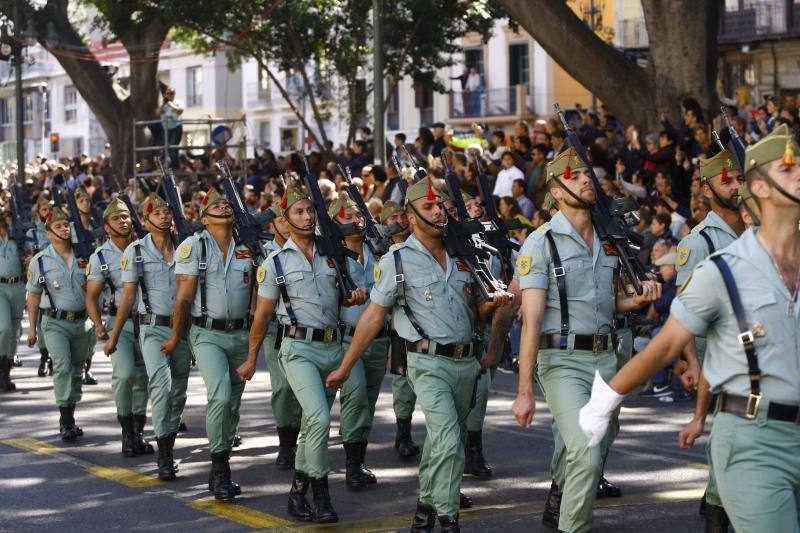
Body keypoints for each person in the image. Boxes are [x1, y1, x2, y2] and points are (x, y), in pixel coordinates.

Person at [579, 123, 800, 533]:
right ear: (762, 189)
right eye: (788, 168)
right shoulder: (724, 270)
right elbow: (665, 347)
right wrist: (604, 402)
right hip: (755, 440)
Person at [326, 178, 512, 532]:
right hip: (427, 363)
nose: (438, 210)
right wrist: (347, 365)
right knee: (449, 440)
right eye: (428, 207)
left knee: (443, 443)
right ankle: (447, 516)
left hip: (465, 362)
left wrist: (493, 305)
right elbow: (374, 315)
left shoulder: (464, 253)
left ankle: (424, 510)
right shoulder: (398, 259)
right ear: (410, 217)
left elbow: (477, 310)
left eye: (440, 205)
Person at [511, 148, 661, 532]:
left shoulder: (609, 241)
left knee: (601, 441)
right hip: (562, 362)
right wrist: (525, 389)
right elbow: (531, 322)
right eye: (574, 177)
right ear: (556, 192)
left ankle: (560, 496)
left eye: (588, 175)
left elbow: (610, 305)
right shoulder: (541, 243)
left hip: (607, 360)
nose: (586, 180)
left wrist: (637, 299)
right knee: (588, 452)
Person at [239, 186, 366, 523]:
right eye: (299, 212)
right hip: (297, 350)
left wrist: (354, 296)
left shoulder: (333, 254)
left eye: (310, 211)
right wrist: (252, 358)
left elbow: (346, 295)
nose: (307, 217)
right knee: (321, 419)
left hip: (333, 347)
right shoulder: (274, 263)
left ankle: (297, 493)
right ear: (284, 220)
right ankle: (322, 496)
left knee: (312, 426)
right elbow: (263, 316)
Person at [171, 188, 254, 501]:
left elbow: (262, 285)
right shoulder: (193, 247)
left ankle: (221, 458)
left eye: (227, 203)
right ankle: (221, 469)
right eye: (215, 205)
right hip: (206, 333)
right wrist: (177, 336)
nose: (223, 205)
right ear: (203, 219)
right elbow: (184, 298)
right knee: (219, 396)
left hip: (242, 334)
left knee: (232, 403)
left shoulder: (248, 245)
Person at [105, 193, 193, 482]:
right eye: (157, 213)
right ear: (144, 221)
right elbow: (128, 298)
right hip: (152, 327)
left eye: (168, 212)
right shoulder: (136, 252)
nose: (164, 216)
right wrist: (114, 336)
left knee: (179, 391)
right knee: (161, 387)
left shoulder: (186, 247)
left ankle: (168, 438)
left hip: (183, 329)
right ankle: (164, 457)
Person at [328, 193, 387, 489]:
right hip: (347, 340)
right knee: (355, 396)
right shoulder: (331, 256)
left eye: (358, 216)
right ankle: (352, 466)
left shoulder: (378, 250)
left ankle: (359, 458)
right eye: (348, 217)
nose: (356, 221)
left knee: (369, 401)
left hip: (378, 339)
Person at [85, 198, 152, 457]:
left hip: (147, 322)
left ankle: (138, 433)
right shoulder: (100, 256)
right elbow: (91, 295)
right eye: (116, 218)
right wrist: (99, 325)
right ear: (106, 226)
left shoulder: (146, 248)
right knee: (125, 374)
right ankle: (126, 432)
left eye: (125, 217)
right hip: (118, 325)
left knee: (143, 379)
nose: (123, 221)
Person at [26, 208, 96, 442]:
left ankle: (71, 414)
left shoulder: (84, 256)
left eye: (67, 225)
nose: (64, 229)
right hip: (55, 323)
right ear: (47, 233)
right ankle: (65, 419)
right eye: (59, 226)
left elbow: (97, 290)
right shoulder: (40, 261)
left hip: (82, 322)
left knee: (77, 370)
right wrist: (32, 329)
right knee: (63, 367)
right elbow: (33, 296)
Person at [380, 201, 423, 460]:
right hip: (392, 326)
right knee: (401, 383)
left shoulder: (418, 246)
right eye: (391, 217)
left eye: (400, 216)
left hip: (413, 323)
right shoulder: (380, 251)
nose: (398, 221)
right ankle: (403, 432)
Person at [262, 204, 302, 469]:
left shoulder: (306, 247)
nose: (286, 225)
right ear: (271, 226)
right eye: (280, 220)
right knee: (283, 386)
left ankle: (296, 437)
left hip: (299, 325)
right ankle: (284, 441)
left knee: (300, 387)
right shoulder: (262, 252)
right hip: (274, 327)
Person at [0, 207, 24, 391]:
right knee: (4, 327)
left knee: (14, 331)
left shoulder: (19, 239)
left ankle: (6, 374)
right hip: (0, 288)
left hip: (18, 287)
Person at [160, 87, 184, 168]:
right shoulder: (164, 104)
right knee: (165, 148)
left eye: (171, 93)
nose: (169, 95)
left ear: (174, 94)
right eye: (167, 93)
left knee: (174, 147)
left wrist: (170, 104)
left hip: (176, 128)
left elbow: (180, 111)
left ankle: (174, 167)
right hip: (166, 129)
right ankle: (165, 166)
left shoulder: (178, 102)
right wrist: (163, 104)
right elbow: (157, 112)